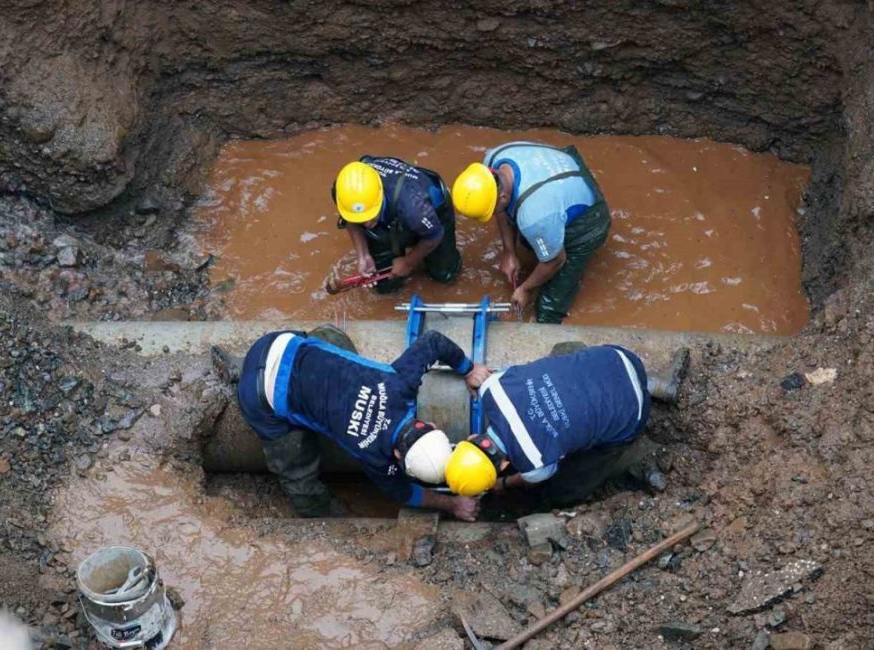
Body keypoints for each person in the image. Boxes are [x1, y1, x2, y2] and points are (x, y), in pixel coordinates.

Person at [211, 325, 491, 520]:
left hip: (275, 343)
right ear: (397, 458)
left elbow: (433, 341)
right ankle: (317, 518)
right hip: (260, 397)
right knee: (298, 471)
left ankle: (243, 363)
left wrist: (469, 369)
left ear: (428, 425)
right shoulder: (377, 459)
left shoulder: (400, 384)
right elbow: (406, 493)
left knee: (334, 341)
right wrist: (452, 505)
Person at [444, 344, 689, 507]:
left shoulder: (534, 464)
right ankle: (653, 382)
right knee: (562, 357)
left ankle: (563, 503)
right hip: (617, 357)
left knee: (570, 483)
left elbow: (532, 478)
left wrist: (503, 484)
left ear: (506, 465)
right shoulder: (491, 388)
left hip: (632, 413)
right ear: (472, 436)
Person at [451, 142, 611, 323]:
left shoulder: (535, 217)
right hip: (563, 169)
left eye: (492, 210)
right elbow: (502, 210)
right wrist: (509, 251)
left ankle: (551, 314)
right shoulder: (493, 160)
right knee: (531, 239)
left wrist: (525, 288)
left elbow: (556, 259)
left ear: (502, 197)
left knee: (547, 310)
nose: (494, 214)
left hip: (589, 219)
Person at [333, 157, 462, 294]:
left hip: (431, 213)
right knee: (384, 285)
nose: (367, 224)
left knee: (444, 274)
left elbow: (435, 236)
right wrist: (363, 255)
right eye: (361, 220)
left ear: (380, 195)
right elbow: (349, 219)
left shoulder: (415, 209)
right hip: (395, 213)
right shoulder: (344, 191)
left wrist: (408, 262)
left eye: (370, 216)